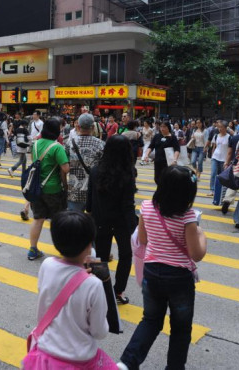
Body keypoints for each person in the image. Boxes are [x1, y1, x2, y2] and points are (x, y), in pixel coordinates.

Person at [118, 166, 207, 370]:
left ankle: (127, 363)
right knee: (181, 328)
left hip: (152, 273)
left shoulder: (147, 207)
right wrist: (202, 235)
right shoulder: (188, 217)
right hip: (179, 279)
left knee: (150, 320)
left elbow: (143, 239)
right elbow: (197, 254)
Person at [23, 211, 114, 369]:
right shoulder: (93, 285)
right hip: (80, 359)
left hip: (45, 355)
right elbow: (100, 332)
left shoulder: (47, 265)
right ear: (89, 245)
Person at [86, 134, 136, 305]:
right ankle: (118, 291)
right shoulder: (128, 173)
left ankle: (100, 290)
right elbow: (128, 204)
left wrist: (90, 213)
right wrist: (134, 227)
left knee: (100, 257)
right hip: (121, 222)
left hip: (100, 221)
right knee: (125, 256)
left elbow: (90, 198)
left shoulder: (95, 170)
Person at [26, 118, 69, 260]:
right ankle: (64, 250)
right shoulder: (57, 147)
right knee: (58, 221)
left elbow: (34, 161)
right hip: (53, 189)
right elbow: (65, 168)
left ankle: (33, 250)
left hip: (37, 188)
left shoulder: (36, 143)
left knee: (38, 219)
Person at [65, 114, 104, 212]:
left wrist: (65, 186)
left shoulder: (69, 143)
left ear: (78, 126)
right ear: (93, 127)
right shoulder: (101, 144)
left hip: (74, 191)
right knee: (93, 224)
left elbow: (63, 168)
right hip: (94, 191)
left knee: (74, 224)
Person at [209, 120, 230, 198]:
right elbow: (214, 146)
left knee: (222, 175)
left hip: (224, 159)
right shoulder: (216, 136)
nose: (220, 129)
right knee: (213, 173)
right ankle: (212, 190)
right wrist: (212, 155)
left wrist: (228, 160)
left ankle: (221, 190)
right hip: (215, 157)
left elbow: (230, 149)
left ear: (225, 128)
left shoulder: (229, 137)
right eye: (219, 127)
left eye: (221, 127)